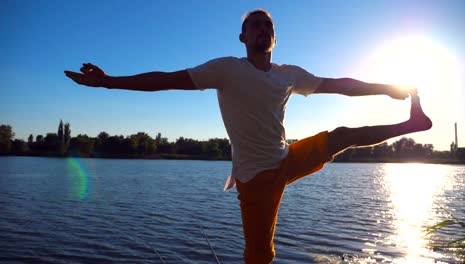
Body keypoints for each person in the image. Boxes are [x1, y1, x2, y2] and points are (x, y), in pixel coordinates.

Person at [65, 8, 432, 264]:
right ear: (242, 36)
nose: (262, 30)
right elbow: (166, 79)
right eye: (255, 26)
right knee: (259, 256)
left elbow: (342, 86)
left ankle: (411, 124)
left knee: (341, 135)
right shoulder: (226, 70)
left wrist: (387, 87)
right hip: (256, 181)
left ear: (275, 37)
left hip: (288, 157)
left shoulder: (289, 74)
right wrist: (109, 83)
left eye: (267, 26)